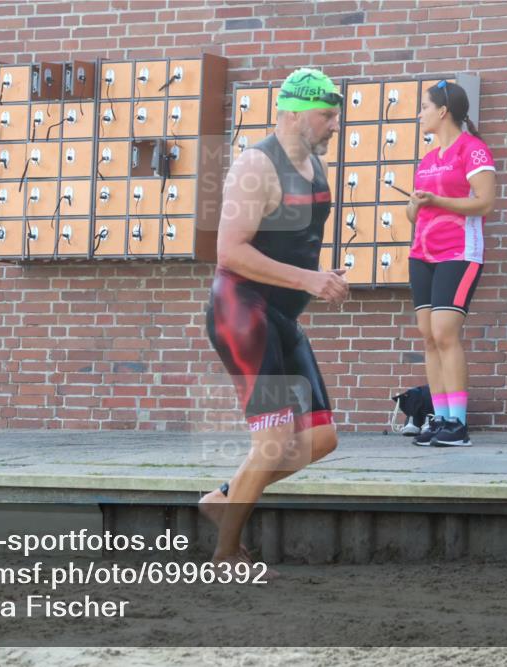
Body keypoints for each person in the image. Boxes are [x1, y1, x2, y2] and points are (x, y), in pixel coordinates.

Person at [199, 68, 347, 565]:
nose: (333, 125)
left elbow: (292, 244)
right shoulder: (256, 165)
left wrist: (316, 274)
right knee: (275, 437)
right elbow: (229, 253)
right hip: (243, 309)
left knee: (320, 439)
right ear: (291, 111)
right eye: (325, 115)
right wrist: (308, 280)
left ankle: (224, 499)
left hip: (281, 315)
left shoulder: (314, 166)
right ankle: (226, 551)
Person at [406, 80, 497, 447]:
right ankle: (440, 418)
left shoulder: (473, 151)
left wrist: (438, 201)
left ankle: (458, 424)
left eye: (424, 107)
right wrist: (416, 204)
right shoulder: (428, 159)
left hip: (458, 253)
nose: (420, 114)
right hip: (421, 254)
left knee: (445, 333)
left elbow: (485, 203)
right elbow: (415, 215)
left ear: (443, 111)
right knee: (429, 337)